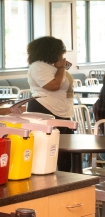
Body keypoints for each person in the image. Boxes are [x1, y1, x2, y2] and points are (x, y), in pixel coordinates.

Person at [26, 36, 75, 170]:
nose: (62, 55)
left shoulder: (51, 66)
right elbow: (54, 86)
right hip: (45, 109)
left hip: (61, 110)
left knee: (65, 150)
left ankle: (67, 179)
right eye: (60, 52)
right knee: (49, 149)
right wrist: (61, 68)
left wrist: (60, 68)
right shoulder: (38, 67)